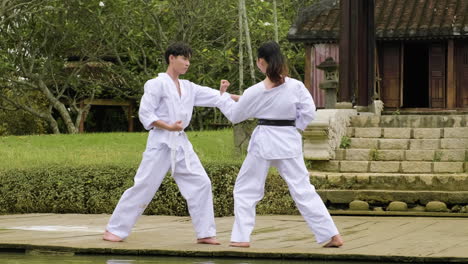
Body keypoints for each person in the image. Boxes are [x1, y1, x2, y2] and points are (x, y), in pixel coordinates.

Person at [217, 41, 344, 248]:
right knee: (303, 189)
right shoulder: (295, 86)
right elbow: (309, 111)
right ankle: (332, 235)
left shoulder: (255, 91)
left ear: (260, 62)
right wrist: (295, 127)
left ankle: (241, 238)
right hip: (288, 140)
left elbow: (235, 114)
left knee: (246, 189)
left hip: (264, 141)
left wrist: (223, 99)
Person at [103, 42, 231, 245]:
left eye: (189, 59)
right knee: (144, 185)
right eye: (184, 58)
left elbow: (217, 97)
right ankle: (115, 229)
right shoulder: (156, 84)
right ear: (172, 58)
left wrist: (248, 97)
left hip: (180, 143)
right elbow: (146, 113)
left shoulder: (189, 87)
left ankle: (205, 233)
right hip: (161, 141)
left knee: (201, 183)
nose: (187, 63)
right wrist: (168, 126)